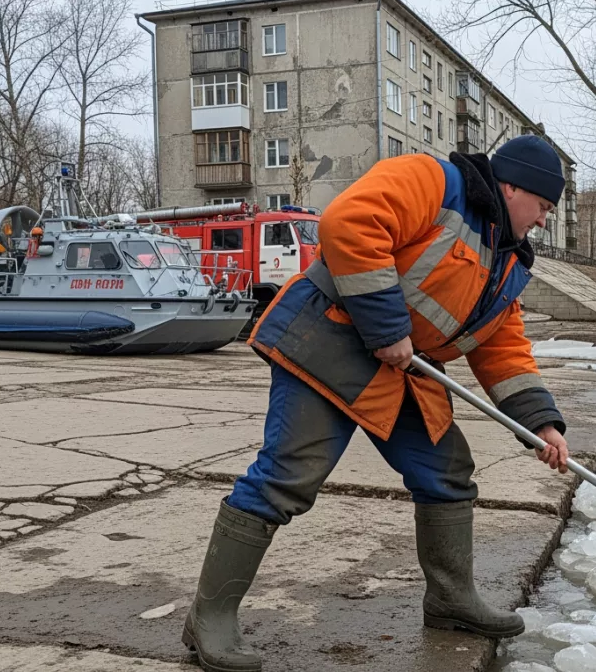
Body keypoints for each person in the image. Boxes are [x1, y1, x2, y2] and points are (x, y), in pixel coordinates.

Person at [181, 135, 572, 672]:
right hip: (331, 341)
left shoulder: (506, 261)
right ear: (512, 187)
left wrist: (541, 424)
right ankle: (210, 617)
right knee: (288, 477)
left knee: (447, 472)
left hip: (404, 367)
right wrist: (387, 325)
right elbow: (350, 223)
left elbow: (504, 351)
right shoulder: (435, 181)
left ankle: (451, 600)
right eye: (544, 206)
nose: (544, 220)